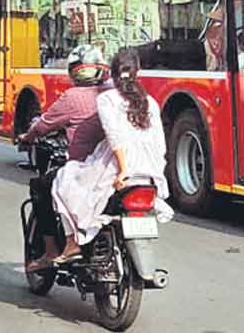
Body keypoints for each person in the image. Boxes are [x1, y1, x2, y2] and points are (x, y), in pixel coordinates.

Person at [50, 47, 173, 263]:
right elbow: (160, 144)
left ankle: (72, 244)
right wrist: (156, 171)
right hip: (150, 170)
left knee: (65, 179)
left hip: (117, 166)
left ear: (112, 74)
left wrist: (123, 170)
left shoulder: (107, 99)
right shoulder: (150, 102)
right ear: (138, 72)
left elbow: (114, 136)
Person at [17, 44, 110, 272]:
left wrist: (27, 136)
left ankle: (50, 252)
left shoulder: (71, 97)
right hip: (117, 167)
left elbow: (43, 125)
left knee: (41, 188)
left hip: (84, 167)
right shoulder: (112, 94)